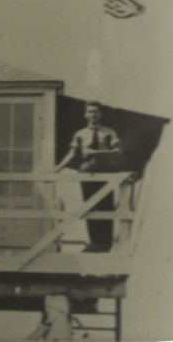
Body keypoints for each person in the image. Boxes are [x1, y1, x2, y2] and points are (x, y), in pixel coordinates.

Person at [55, 101, 122, 252]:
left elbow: (118, 152)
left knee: (106, 208)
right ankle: (95, 244)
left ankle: (106, 246)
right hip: (87, 174)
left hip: (105, 174)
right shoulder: (80, 134)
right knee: (90, 207)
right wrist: (56, 169)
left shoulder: (109, 132)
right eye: (90, 112)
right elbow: (72, 154)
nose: (93, 115)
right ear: (85, 115)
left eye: (96, 111)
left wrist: (97, 153)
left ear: (100, 114)